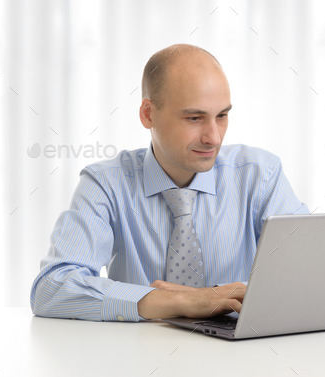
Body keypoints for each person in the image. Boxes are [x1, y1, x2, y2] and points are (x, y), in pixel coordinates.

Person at [30, 44, 308, 322]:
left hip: (241, 355)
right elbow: (51, 289)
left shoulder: (260, 175)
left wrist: (229, 297)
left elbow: (311, 276)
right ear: (148, 114)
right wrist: (180, 301)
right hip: (139, 357)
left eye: (222, 116)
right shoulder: (106, 183)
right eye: (195, 118)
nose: (213, 137)